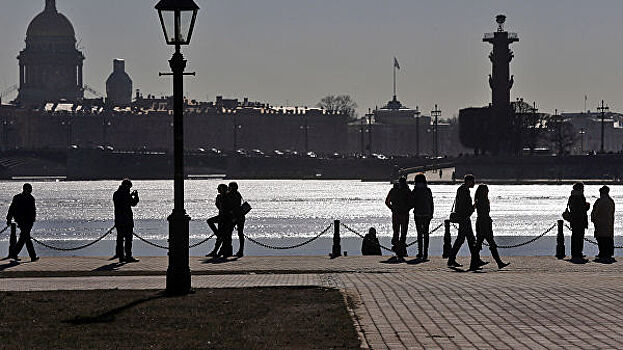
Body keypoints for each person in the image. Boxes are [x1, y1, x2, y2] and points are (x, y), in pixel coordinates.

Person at [447, 174, 481, 271]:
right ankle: (452, 259)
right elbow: (463, 207)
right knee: (465, 240)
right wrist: (474, 207)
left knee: (467, 240)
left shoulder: (462, 190)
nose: (474, 183)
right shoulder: (464, 191)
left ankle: (475, 259)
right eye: (473, 181)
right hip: (464, 218)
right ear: (468, 181)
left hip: (465, 218)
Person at [474, 184, 510, 269]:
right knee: (490, 244)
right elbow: (483, 214)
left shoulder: (479, 200)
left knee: (479, 244)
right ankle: (499, 263)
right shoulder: (483, 200)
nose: (488, 191)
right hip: (484, 223)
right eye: (486, 190)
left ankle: (476, 262)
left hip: (482, 222)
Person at [6, 183, 38, 262]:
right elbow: (12, 209)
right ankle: (32, 256)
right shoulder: (17, 198)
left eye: (30, 189)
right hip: (21, 221)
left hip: (29, 221)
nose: (30, 190)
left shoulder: (31, 198)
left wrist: (33, 219)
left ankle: (14, 253)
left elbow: (33, 210)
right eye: (29, 189)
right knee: (26, 237)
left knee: (24, 237)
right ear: (25, 189)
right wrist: (9, 219)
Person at [385, 177, 412, 260]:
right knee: (403, 232)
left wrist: (392, 208)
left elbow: (387, 201)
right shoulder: (407, 191)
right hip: (404, 214)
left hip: (396, 214)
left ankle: (397, 248)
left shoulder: (394, 190)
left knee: (396, 231)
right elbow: (412, 202)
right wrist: (407, 209)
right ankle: (401, 249)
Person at [113, 179, 140, 263]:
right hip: (127, 220)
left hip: (118, 220)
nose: (129, 189)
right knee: (128, 239)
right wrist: (135, 196)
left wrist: (130, 195)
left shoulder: (116, 194)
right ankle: (128, 256)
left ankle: (121, 256)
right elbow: (133, 203)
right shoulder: (125, 194)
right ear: (127, 186)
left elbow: (123, 203)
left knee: (120, 239)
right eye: (129, 187)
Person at [412, 173, 434, 261]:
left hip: (418, 213)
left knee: (419, 234)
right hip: (427, 213)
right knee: (426, 233)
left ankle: (420, 252)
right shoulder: (428, 190)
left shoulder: (415, 190)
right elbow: (431, 202)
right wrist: (431, 213)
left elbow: (412, 201)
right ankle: (425, 253)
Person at [591, 186, 615, 263]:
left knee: (601, 238)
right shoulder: (611, 201)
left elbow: (596, 212)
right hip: (609, 223)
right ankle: (608, 253)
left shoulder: (600, 201)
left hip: (600, 223)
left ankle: (603, 253)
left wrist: (593, 219)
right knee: (608, 238)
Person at [567, 182, 590, 263]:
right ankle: (578, 254)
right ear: (580, 188)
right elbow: (581, 209)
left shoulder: (572, 196)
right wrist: (587, 206)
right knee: (579, 238)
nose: (583, 189)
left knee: (575, 237)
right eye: (583, 188)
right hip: (580, 220)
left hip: (574, 220)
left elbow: (573, 208)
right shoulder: (579, 197)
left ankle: (575, 253)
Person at [206, 184, 228, 257]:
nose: (218, 189)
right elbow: (218, 206)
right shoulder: (218, 197)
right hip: (221, 216)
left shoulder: (228, 197)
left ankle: (217, 251)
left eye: (219, 188)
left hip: (226, 218)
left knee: (223, 236)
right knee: (210, 221)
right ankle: (216, 250)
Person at [227, 182, 246, 258]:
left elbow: (232, 206)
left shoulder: (231, 195)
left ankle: (229, 250)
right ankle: (241, 250)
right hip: (240, 216)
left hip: (235, 216)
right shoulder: (238, 194)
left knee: (229, 233)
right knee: (240, 233)